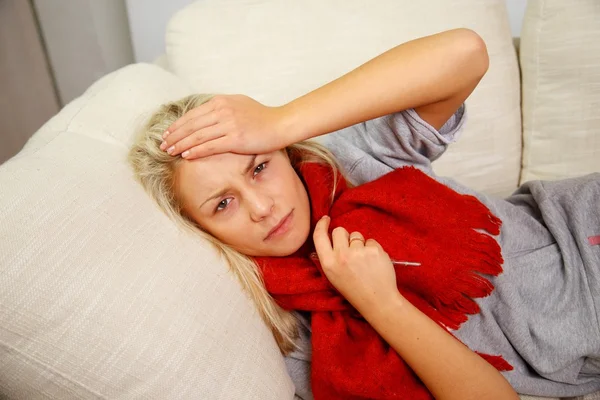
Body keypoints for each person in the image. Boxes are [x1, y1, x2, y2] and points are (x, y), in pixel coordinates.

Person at [128, 28, 600, 400]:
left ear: (282, 152)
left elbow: (465, 53)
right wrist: (381, 303)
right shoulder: (291, 334)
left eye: (259, 167)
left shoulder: (347, 161)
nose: (262, 207)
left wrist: (280, 121)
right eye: (223, 204)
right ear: (199, 229)